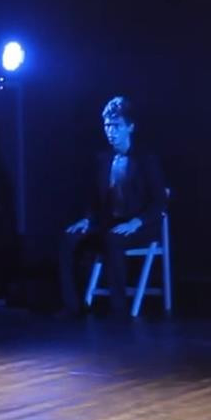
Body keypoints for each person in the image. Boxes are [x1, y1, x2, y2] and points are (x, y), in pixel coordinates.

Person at [58, 96, 166, 318]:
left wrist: (136, 222)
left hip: (142, 224)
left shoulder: (146, 159)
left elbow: (159, 202)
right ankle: (72, 306)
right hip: (109, 222)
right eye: (107, 126)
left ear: (130, 127)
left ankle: (118, 308)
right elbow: (95, 199)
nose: (111, 132)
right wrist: (87, 219)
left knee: (113, 239)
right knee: (69, 238)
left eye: (116, 126)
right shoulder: (103, 159)